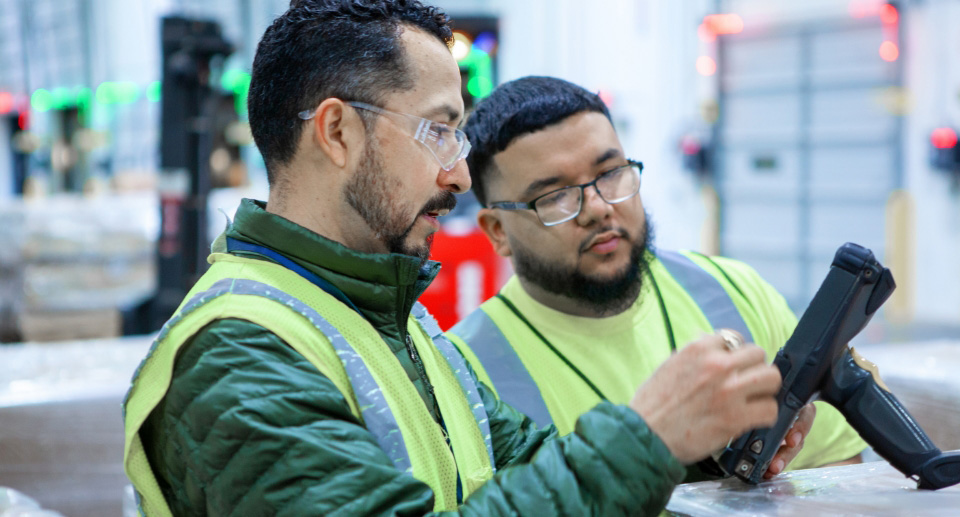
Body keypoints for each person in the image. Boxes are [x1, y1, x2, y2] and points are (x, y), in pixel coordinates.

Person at [122, 3, 808, 515]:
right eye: (439, 131)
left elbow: (531, 471)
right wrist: (647, 436)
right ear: (336, 132)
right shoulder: (239, 356)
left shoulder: (395, 326)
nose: (457, 172)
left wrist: (703, 442)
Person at [446, 75, 866, 480]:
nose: (597, 207)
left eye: (610, 173)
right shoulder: (465, 371)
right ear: (497, 231)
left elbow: (837, 465)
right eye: (554, 196)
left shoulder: (735, 291)